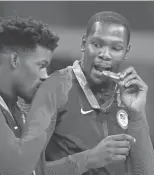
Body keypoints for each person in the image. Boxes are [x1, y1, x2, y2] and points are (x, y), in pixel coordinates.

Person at [0, 17, 125, 175]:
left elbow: (36, 172)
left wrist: (90, 160)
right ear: (14, 60)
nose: (45, 76)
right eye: (41, 65)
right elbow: (17, 170)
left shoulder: (16, 112)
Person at [42, 11, 154, 175]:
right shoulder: (55, 88)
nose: (105, 54)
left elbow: (145, 173)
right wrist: (89, 159)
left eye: (116, 48)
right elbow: (27, 171)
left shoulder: (127, 95)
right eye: (97, 45)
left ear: (126, 52)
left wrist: (137, 114)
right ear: (83, 43)